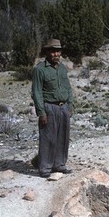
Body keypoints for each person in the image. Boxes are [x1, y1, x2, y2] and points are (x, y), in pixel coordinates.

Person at [31, 39, 74, 178]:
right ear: (48, 52)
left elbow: (68, 87)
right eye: (53, 51)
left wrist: (70, 105)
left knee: (63, 137)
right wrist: (41, 112)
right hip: (49, 107)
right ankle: (45, 168)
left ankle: (59, 165)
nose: (56, 54)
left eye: (58, 51)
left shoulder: (62, 68)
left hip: (63, 107)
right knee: (48, 138)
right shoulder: (40, 69)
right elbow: (36, 92)